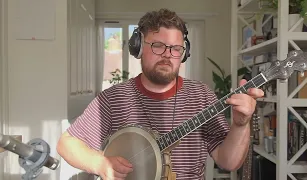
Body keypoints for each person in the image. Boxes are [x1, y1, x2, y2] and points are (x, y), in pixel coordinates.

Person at [57, 8, 264, 180]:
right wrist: (99, 163)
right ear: (138, 48)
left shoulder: (201, 95)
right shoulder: (113, 99)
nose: (167, 54)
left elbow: (229, 161)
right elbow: (66, 144)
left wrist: (240, 124)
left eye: (176, 48)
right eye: (157, 46)